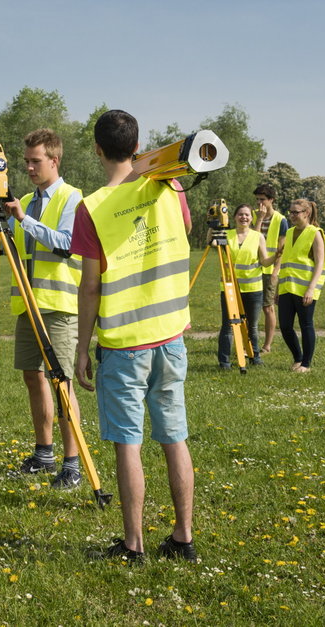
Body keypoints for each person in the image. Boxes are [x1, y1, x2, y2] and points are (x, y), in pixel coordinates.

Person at [73, 110, 196, 563]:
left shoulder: (91, 208)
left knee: (129, 443)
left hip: (125, 341)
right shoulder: (171, 185)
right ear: (137, 144)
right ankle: (183, 538)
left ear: (98, 149)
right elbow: (182, 232)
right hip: (170, 333)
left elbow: (90, 286)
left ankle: (133, 545)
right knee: (174, 437)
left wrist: (82, 347)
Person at [2, 128, 84, 489]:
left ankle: (72, 463)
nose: (30, 168)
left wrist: (23, 219)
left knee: (62, 383)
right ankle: (44, 453)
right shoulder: (23, 200)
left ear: (54, 160)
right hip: (27, 305)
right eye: (27, 162)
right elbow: (7, 249)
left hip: (59, 306)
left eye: (36, 161)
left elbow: (66, 243)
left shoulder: (72, 199)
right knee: (33, 377)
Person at [215, 204, 279, 369]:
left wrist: (276, 255)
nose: (244, 217)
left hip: (253, 289)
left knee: (252, 325)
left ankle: (254, 356)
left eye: (247, 215)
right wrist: (214, 225)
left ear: (252, 218)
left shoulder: (258, 237)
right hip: (230, 288)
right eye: (241, 214)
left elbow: (264, 261)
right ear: (235, 217)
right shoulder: (226, 234)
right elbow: (213, 244)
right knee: (228, 326)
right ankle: (224, 361)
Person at [274, 198, 325, 373]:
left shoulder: (315, 232)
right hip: (287, 287)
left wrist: (311, 288)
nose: (292, 215)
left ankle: (306, 363)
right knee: (285, 326)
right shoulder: (289, 233)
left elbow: (320, 263)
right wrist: (277, 289)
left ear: (306, 213)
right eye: (291, 212)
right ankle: (297, 357)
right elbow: (285, 262)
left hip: (305, 288)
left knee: (306, 325)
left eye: (296, 212)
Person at [252, 184, 288, 355]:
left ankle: (267, 345)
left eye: (263, 200)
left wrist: (275, 272)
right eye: (257, 199)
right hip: (252, 268)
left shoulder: (281, 220)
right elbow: (252, 239)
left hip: (270, 269)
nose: (259, 203)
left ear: (271, 200)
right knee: (250, 308)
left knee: (268, 308)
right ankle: (249, 342)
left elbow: (282, 249)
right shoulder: (252, 216)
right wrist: (259, 219)